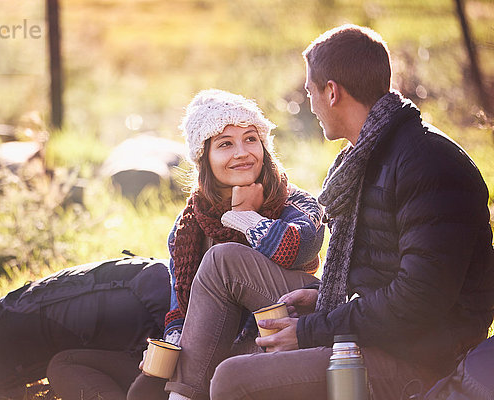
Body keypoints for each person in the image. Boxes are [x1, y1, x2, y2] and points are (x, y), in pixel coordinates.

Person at [163, 25, 494, 400]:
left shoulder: (429, 164)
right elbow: (378, 279)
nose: (310, 104)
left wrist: (313, 330)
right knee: (225, 261)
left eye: (310, 92)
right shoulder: (365, 157)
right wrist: (321, 302)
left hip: (417, 358)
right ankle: (183, 394)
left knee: (230, 379)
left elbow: (417, 301)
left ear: (332, 92)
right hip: (372, 324)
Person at [48, 89, 325, 400]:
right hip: (213, 347)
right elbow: (180, 307)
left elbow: (299, 247)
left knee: (223, 259)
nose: (242, 152)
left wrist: (246, 218)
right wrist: (173, 342)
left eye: (251, 139)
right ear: (203, 157)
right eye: (225, 144)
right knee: (75, 367)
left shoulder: (294, 202)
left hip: (277, 333)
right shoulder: (188, 227)